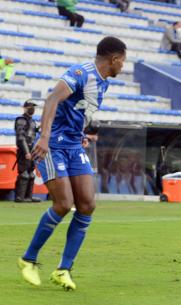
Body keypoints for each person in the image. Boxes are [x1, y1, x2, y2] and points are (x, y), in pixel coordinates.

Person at [18, 36, 127, 291]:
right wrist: (43, 138)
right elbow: (52, 100)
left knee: (87, 204)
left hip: (74, 146)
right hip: (53, 145)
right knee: (64, 203)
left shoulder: (104, 84)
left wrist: (80, 136)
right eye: (123, 60)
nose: (123, 66)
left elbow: (75, 112)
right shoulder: (79, 73)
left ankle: (63, 269)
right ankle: (28, 259)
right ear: (114, 58)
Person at [14, 100, 41, 203]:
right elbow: (21, 138)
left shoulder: (33, 122)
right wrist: (26, 152)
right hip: (24, 150)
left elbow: (33, 134)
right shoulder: (21, 120)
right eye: (30, 107)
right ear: (24, 108)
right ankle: (20, 197)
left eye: (33, 107)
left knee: (31, 174)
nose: (32, 109)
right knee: (24, 174)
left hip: (32, 149)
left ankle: (28, 197)